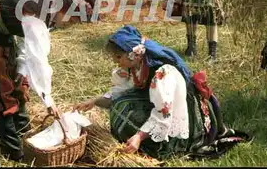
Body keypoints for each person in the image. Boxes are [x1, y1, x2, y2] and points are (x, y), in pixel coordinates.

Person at [0, 0, 96, 161]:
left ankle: (24, 133)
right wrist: (48, 99)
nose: (69, 25)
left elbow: (27, 46)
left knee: (16, 81)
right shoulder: (38, 15)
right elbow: (38, 59)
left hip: (3, 29)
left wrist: (22, 71)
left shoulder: (47, 11)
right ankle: (12, 151)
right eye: (72, 20)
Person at [73, 25, 248, 160]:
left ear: (134, 54)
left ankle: (170, 143)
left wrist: (139, 137)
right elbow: (122, 91)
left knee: (130, 121)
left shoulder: (161, 73)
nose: (115, 61)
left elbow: (163, 113)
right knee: (121, 105)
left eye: (118, 57)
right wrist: (95, 100)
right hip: (160, 105)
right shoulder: (137, 66)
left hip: (179, 116)